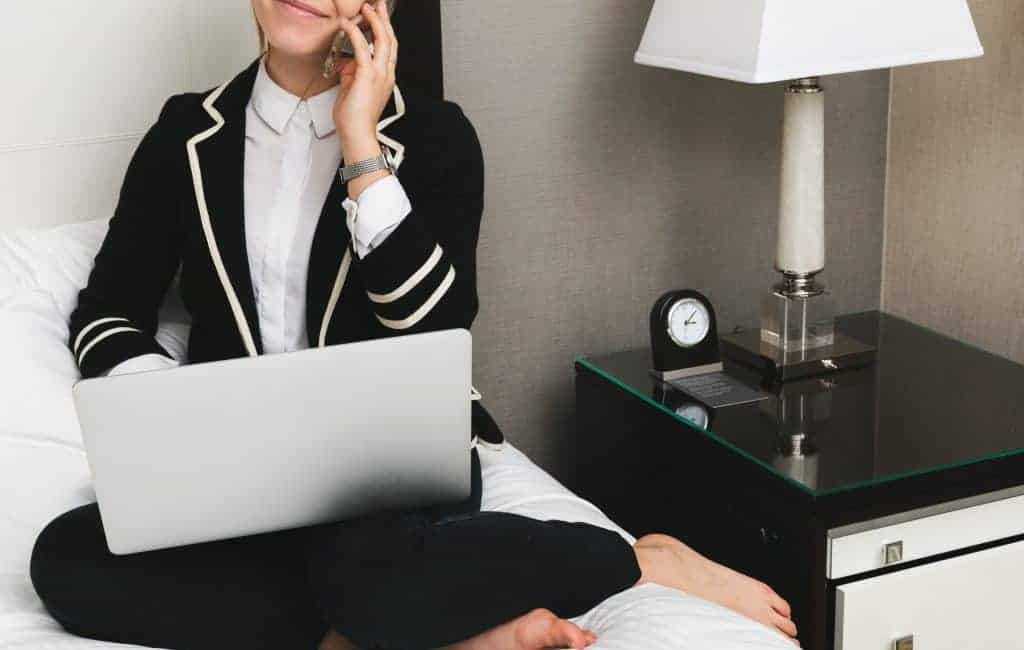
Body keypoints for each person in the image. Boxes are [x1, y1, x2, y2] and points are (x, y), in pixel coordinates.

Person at [29, 1, 799, 648]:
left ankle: (635, 560)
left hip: (382, 471)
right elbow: (106, 313)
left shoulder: (434, 138)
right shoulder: (183, 137)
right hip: (233, 474)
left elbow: (433, 323)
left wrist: (362, 144)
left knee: (360, 569)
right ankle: (424, 636)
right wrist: (176, 403)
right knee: (64, 560)